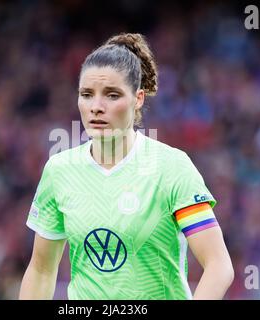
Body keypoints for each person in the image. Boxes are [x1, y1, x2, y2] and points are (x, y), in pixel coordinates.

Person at [19, 33, 234, 300]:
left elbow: (219, 266)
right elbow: (41, 270)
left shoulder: (171, 167)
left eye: (112, 95)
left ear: (138, 98)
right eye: (87, 94)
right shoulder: (59, 170)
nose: (96, 107)